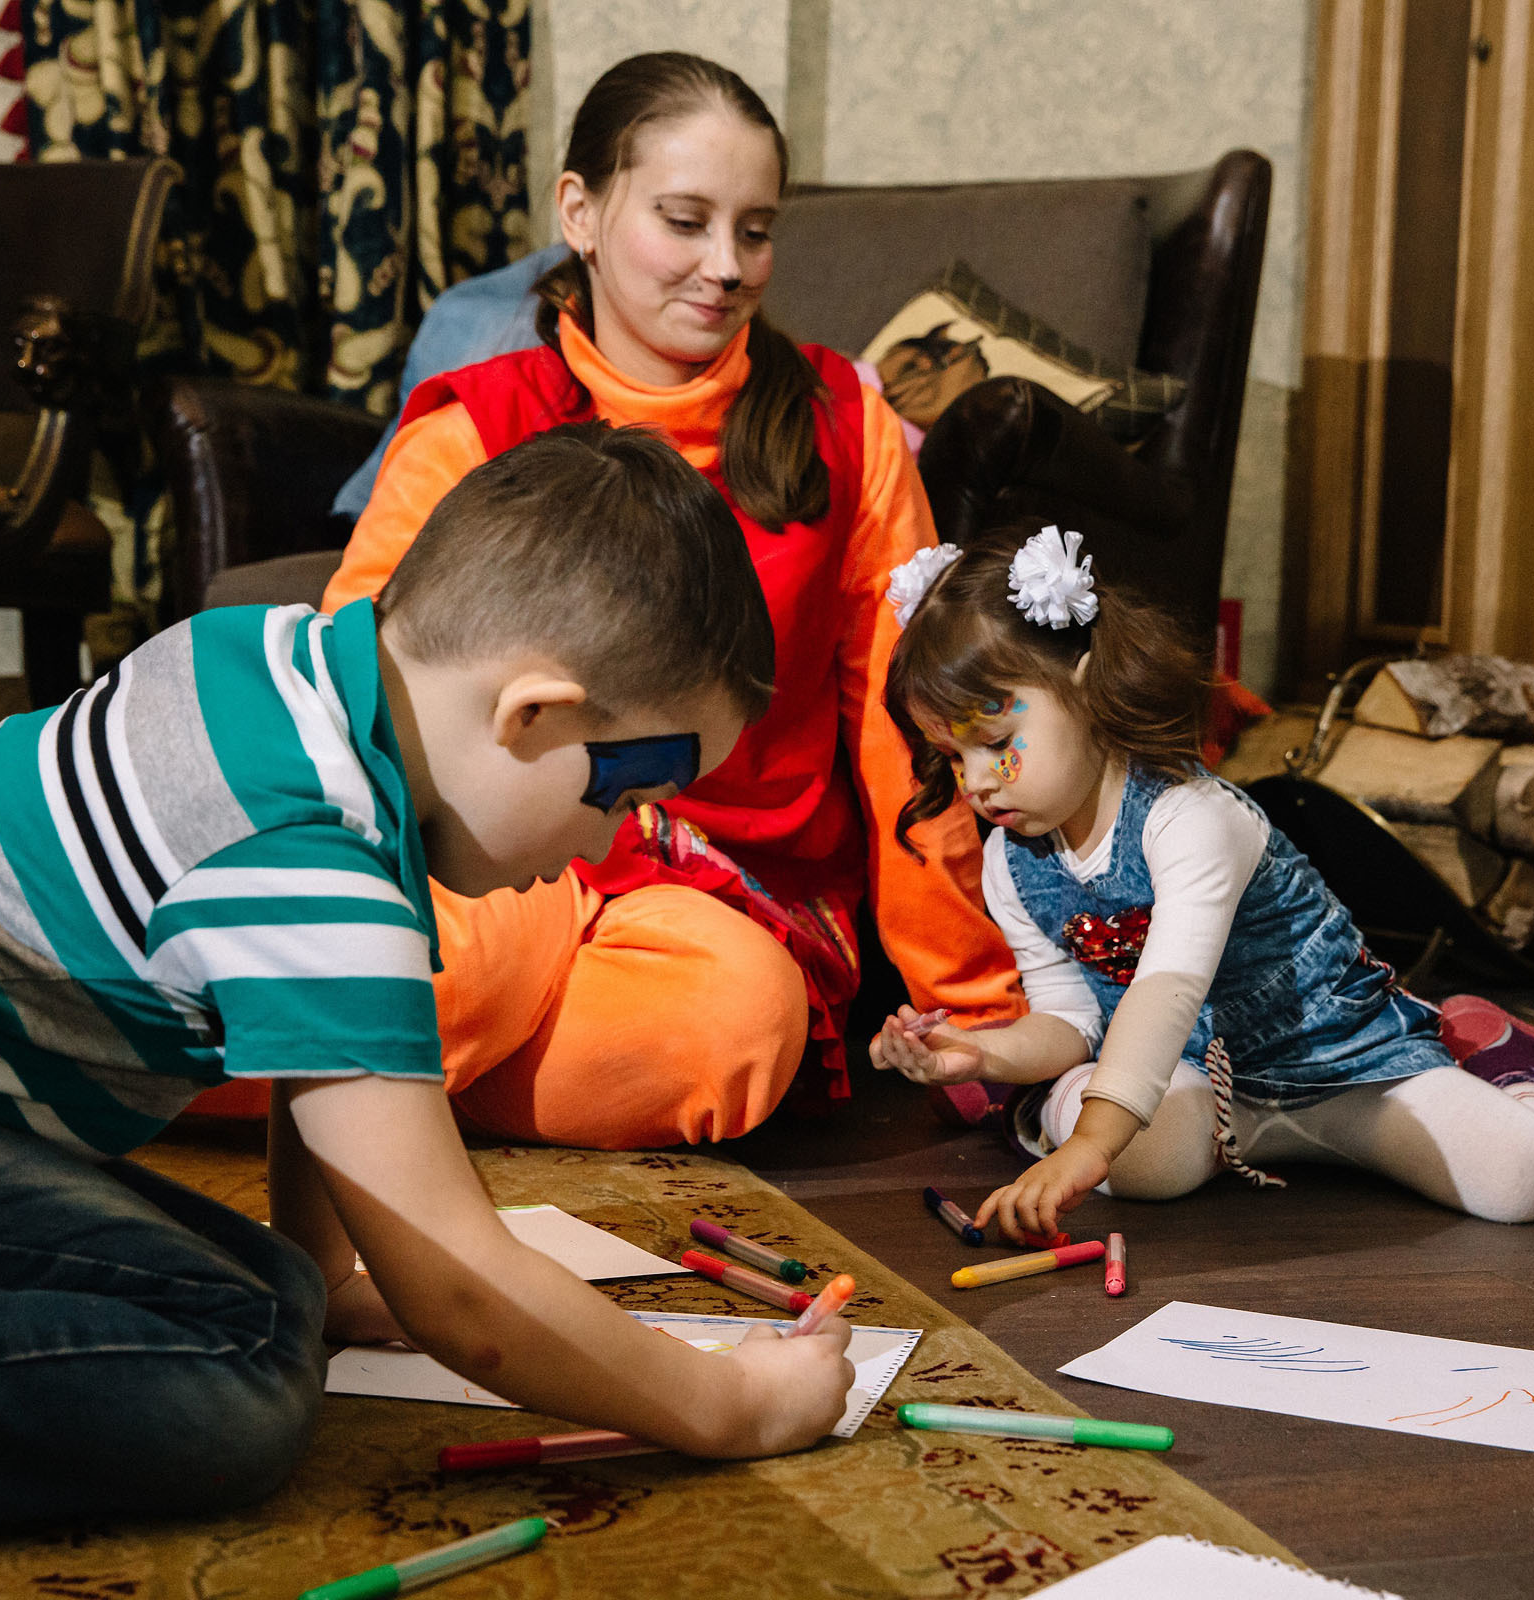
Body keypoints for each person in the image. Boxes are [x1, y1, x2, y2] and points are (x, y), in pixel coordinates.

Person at [0, 425, 854, 1538]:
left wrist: (325, 1279)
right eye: (629, 792)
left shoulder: (283, 666)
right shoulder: (307, 857)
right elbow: (461, 1294)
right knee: (239, 1382)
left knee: (273, 1300)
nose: (609, 843)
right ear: (534, 715)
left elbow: (314, 1068)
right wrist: (729, 1405)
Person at [323, 51, 1023, 1148]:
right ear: (581, 212)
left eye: (757, 230)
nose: (727, 267)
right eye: (685, 221)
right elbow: (351, 700)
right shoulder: (469, 425)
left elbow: (910, 725)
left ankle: (335, 1085)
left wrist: (974, 1005)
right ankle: (359, 1077)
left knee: (733, 1026)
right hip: (492, 859)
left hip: (724, 901)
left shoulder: (848, 429)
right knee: (459, 966)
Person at [866, 527, 1534, 1242]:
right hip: (1198, 1087)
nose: (975, 782)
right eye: (952, 756)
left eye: (995, 743)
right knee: (1140, 1160)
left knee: (1527, 1178)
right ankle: (1066, 1109)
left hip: (1347, 1068)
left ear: (1085, 689)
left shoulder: (1190, 816)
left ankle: (1499, 1052)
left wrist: (1087, 1146)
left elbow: (1166, 992)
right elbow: (1070, 1020)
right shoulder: (1013, 863)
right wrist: (984, 1055)